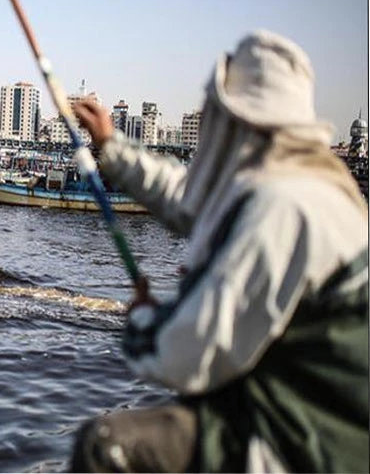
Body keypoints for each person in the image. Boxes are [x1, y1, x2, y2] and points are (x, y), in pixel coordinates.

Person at [68, 30, 368, 472]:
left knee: (106, 445)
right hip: (292, 407)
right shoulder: (301, 184)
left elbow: (187, 353)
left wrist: (143, 320)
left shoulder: (282, 208)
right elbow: (188, 198)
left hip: (306, 444)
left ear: (239, 120)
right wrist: (111, 145)